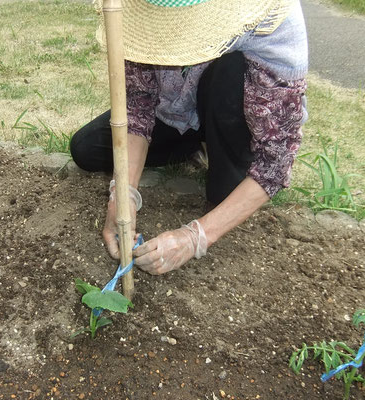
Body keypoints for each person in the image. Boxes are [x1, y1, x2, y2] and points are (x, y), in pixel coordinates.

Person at [70, 0, 308, 275]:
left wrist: (195, 237)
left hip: (232, 113)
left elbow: (275, 163)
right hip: (174, 113)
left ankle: (222, 182)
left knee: (230, 70)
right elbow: (139, 104)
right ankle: (192, 146)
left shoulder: (272, 21)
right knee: (86, 148)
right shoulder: (144, 16)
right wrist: (123, 196)